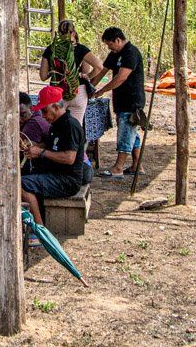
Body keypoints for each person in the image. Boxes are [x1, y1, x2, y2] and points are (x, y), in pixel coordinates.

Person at [19, 84, 92, 230]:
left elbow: (69, 157)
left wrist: (40, 153)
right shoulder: (56, 124)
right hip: (56, 173)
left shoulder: (70, 126)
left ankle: (39, 230)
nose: (44, 116)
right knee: (24, 175)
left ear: (56, 107)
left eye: (45, 111)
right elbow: (50, 145)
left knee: (21, 185)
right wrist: (33, 145)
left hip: (67, 180)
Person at [91, 26, 146, 177]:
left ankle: (118, 167)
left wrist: (102, 91)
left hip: (131, 100)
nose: (109, 48)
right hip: (121, 100)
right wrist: (90, 87)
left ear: (118, 40)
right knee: (132, 134)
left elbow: (121, 77)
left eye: (110, 44)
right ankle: (136, 165)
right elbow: (102, 71)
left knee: (125, 133)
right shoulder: (115, 54)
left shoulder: (130, 53)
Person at [38, 19, 102, 126]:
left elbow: (43, 76)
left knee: (56, 126)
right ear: (73, 33)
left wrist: (54, 71)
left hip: (56, 93)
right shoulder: (81, 49)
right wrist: (86, 76)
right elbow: (98, 67)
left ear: (59, 33)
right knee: (75, 127)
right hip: (77, 92)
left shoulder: (51, 49)